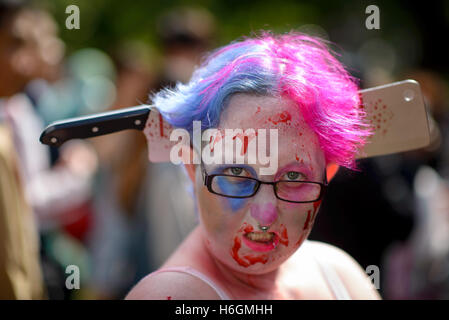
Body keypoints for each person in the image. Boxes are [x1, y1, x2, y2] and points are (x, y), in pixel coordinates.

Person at [125, 32, 381, 300]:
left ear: (327, 175)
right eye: (237, 173)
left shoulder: (339, 273)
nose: (265, 214)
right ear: (192, 168)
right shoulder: (173, 296)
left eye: (293, 177)